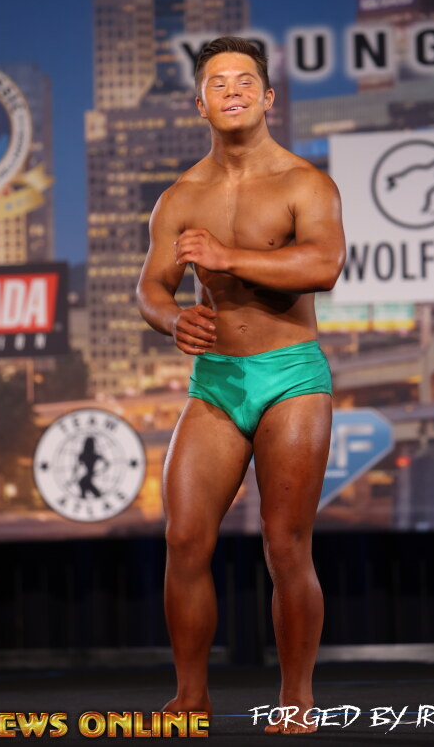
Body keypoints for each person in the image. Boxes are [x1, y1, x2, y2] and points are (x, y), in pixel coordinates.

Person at [136, 36, 345, 734]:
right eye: (219, 82)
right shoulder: (180, 196)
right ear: (199, 104)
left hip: (291, 376)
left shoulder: (304, 183)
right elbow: (151, 286)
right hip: (216, 382)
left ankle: (297, 699)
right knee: (185, 538)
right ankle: (191, 698)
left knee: (285, 545)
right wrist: (172, 319)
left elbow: (323, 265)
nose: (233, 90)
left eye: (246, 80)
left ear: (268, 96)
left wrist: (227, 257)